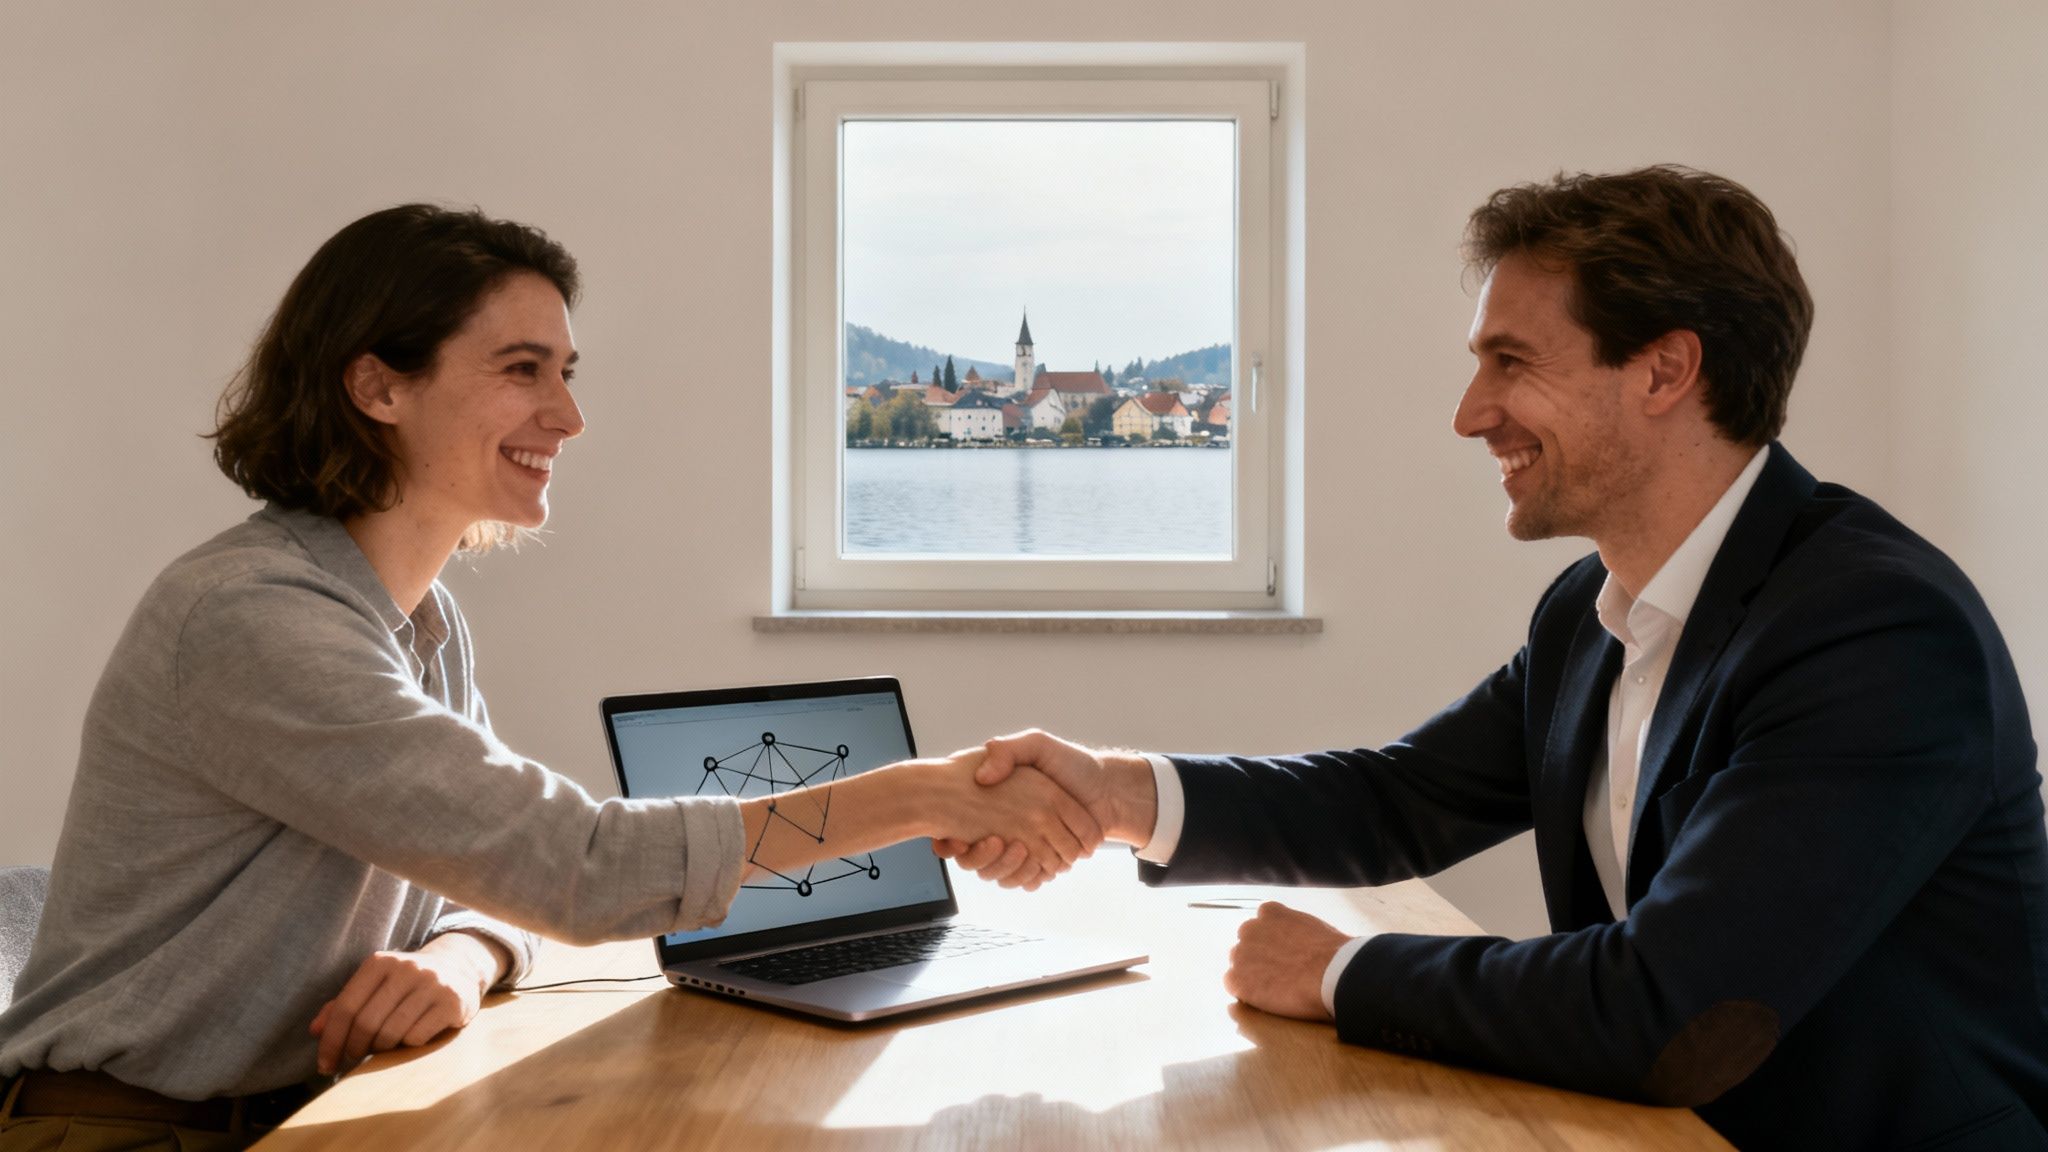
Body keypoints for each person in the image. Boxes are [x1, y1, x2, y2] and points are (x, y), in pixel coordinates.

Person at [942, 167, 2048, 1150]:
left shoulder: (1874, 630)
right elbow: (1401, 798)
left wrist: (1338, 972)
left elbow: (1673, 1011)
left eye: (1510, 363)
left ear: (1664, 371)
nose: (1470, 415)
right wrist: (1120, 794)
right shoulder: (1589, 612)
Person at [0, 204, 1100, 1152]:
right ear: (378, 387)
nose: (568, 418)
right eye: (520, 370)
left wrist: (464, 952)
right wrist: (920, 796)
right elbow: (574, 868)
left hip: (307, 1108)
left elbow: (494, 882)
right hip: (128, 1131)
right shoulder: (255, 619)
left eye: (564, 374)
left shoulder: (421, 621)